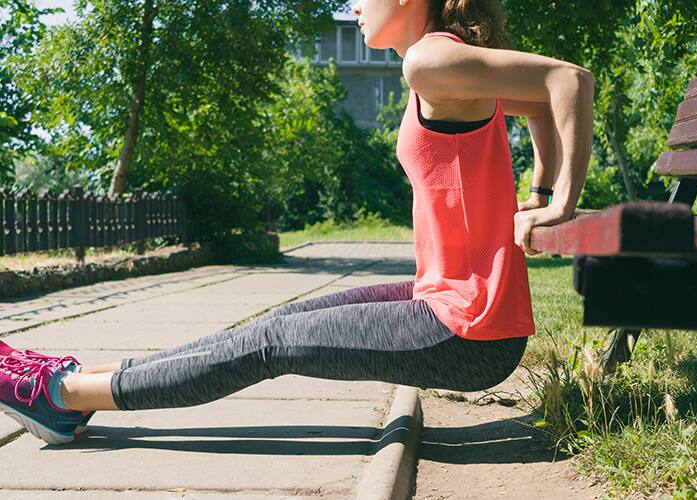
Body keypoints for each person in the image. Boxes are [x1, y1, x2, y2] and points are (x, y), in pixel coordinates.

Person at [0, 0, 594, 445]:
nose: (355, 6)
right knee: (277, 323)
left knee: (271, 344)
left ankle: (60, 398)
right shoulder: (442, 64)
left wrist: (558, 200)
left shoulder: (430, 59)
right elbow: (541, 102)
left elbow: (568, 81)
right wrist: (538, 191)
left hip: (468, 331)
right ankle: (82, 378)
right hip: (449, 305)